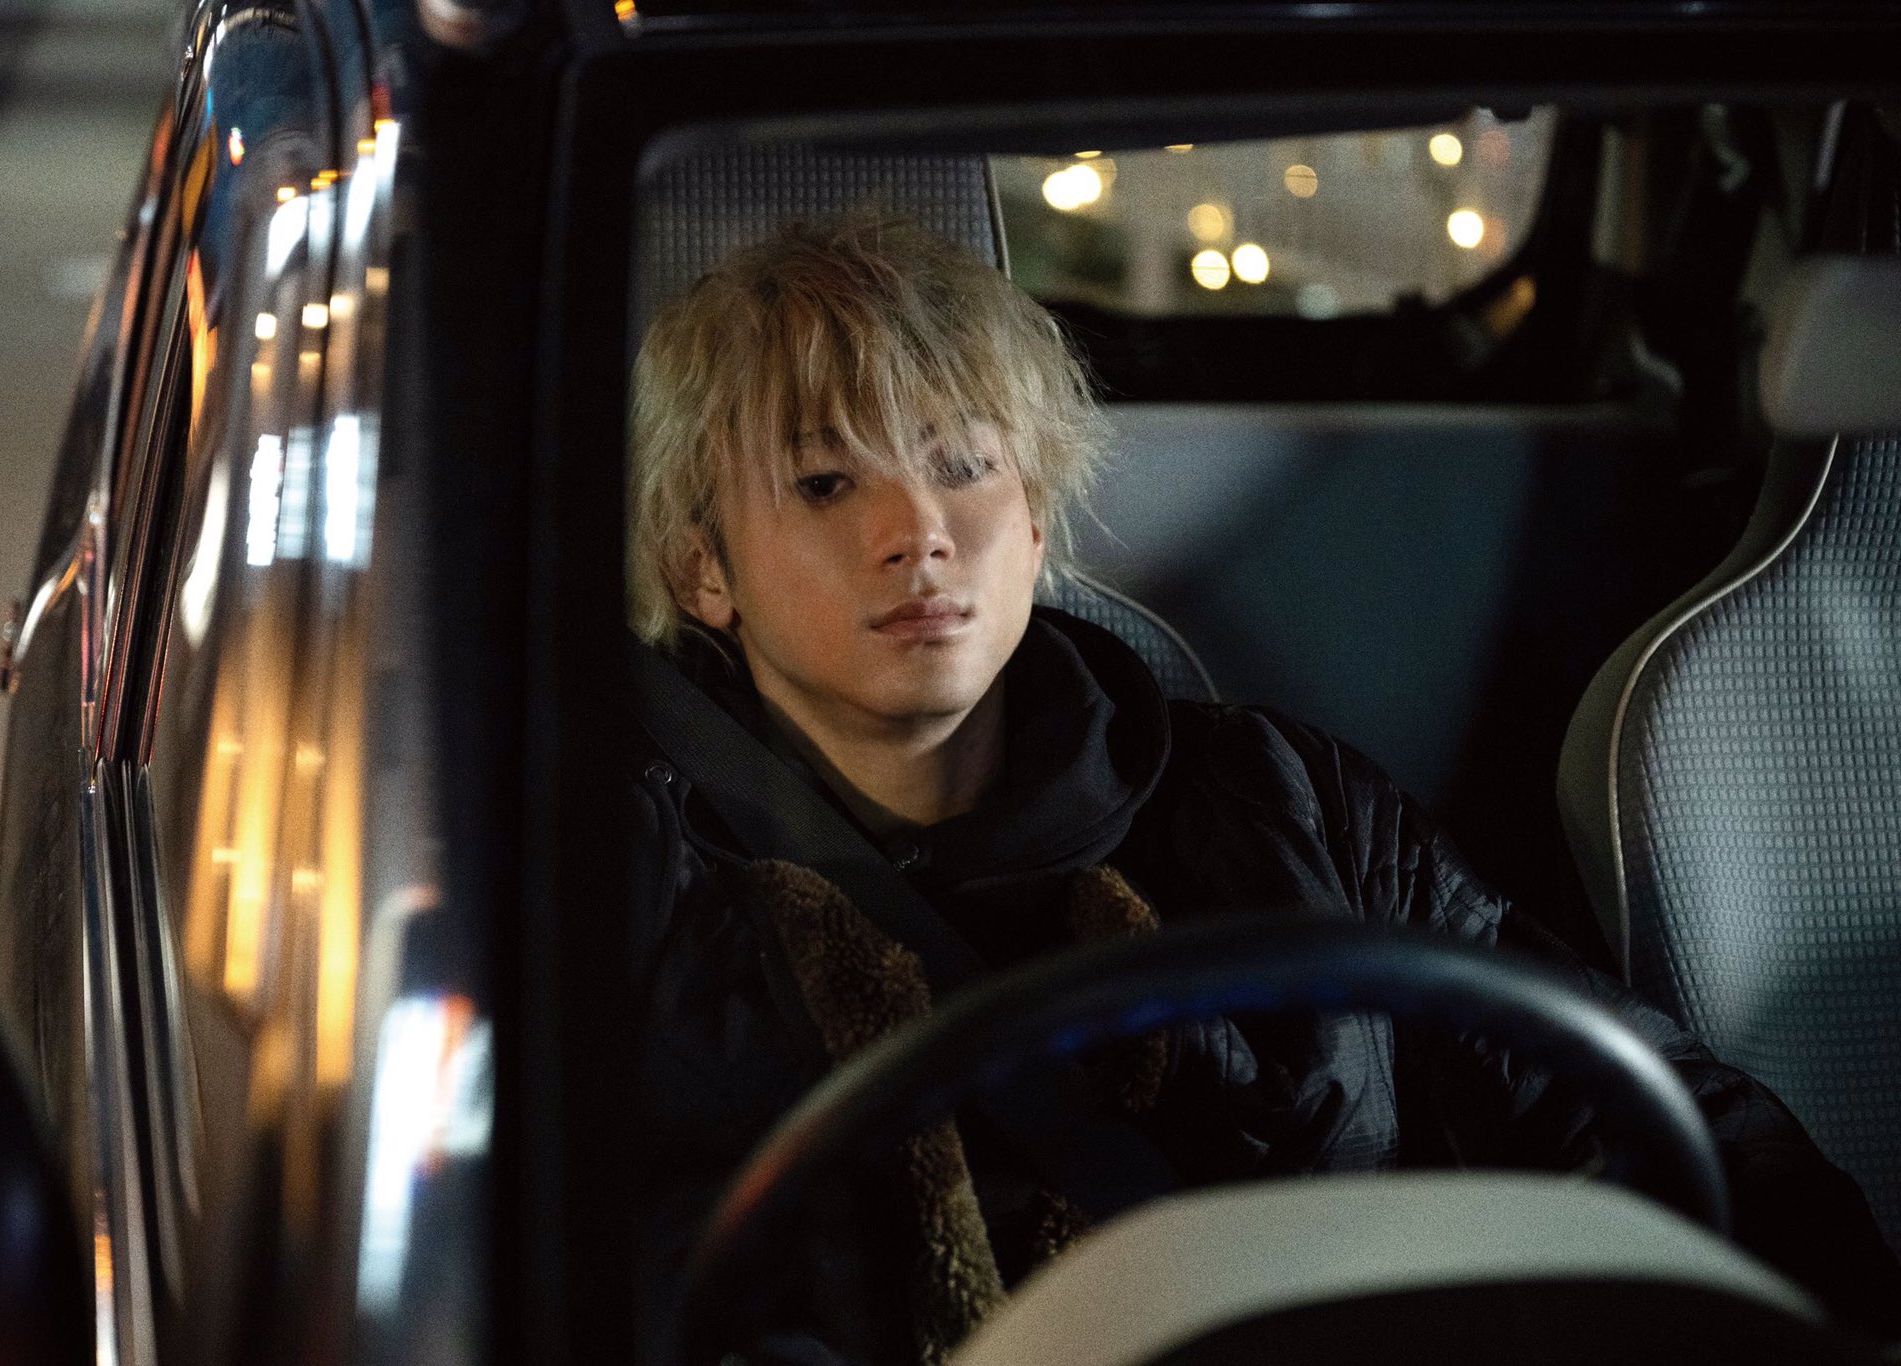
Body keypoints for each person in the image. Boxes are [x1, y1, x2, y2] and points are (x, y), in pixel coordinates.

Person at [623, 213, 1899, 1364]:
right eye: (825, 482)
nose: (917, 530)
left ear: (1037, 520)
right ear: (701, 571)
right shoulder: (622, 884)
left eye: (962, 463)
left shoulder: (1284, 799)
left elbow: (1626, 1101)